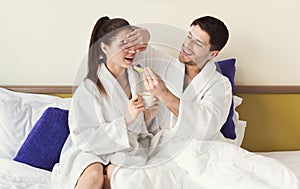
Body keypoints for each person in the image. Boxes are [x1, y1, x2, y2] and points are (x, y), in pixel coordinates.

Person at [51, 16, 159, 189]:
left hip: (126, 151)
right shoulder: (88, 88)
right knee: (94, 175)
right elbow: (84, 139)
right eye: (123, 45)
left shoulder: (138, 79)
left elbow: (142, 131)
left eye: (132, 45)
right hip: (90, 151)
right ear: (104, 47)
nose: (131, 50)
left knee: (115, 179)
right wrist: (125, 120)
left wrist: (147, 117)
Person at [134, 16, 232, 145]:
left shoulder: (220, 84)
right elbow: (128, 52)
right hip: (159, 147)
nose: (187, 45)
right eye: (189, 36)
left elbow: (206, 128)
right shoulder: (163, 63)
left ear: (212, 54)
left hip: (200, 149)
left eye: (198, 43)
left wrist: (164, 94)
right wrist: (143, 34)